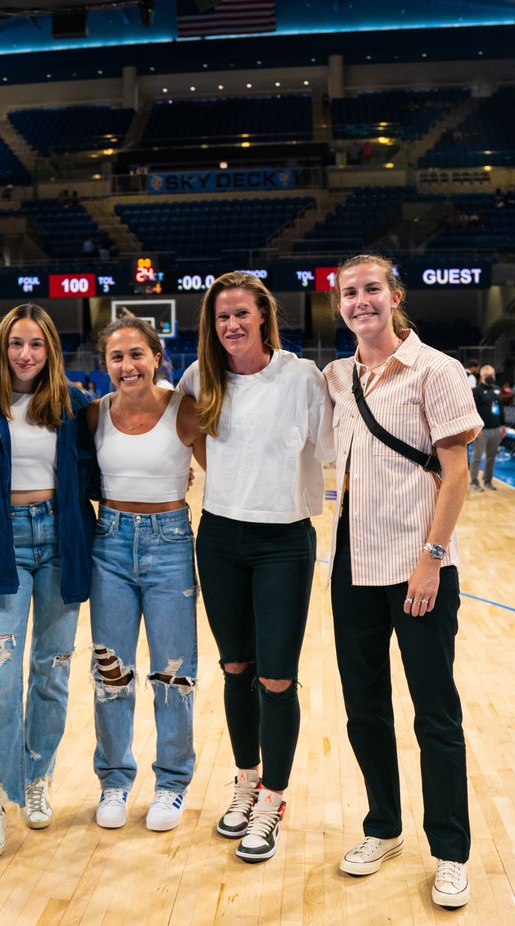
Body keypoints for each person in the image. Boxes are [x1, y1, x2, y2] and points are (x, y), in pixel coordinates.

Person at [322, 254, 481, 910]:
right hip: (349, 563)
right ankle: (382, 828)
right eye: (349, 293)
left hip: (416, 564)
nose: (361, 301)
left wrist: (432, 557)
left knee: (435, 714)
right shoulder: (335, 377)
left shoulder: (435, 370)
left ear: (394, 297)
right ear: (339, 306)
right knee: (365, 710)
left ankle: (450, 852)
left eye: (371, 290)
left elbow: (457, 473)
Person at [178, 272, 333, 864]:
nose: (232, 325)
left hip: (283, 542)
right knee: (235, 666)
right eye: (222, 317)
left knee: (276, 677)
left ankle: (273, 796)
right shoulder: (201, 377)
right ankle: (245, 780)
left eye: (241, 313)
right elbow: (191, 434)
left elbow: (331, 448)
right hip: (218, 536)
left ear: (263, 315)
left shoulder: (301, 379)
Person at [0, 304, 96, 860]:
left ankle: (36, 777)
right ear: (1, 345)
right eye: (16, 343)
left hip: (62, 543)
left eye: (36, 345)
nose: (25, 355)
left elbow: (98, 472)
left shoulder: (73, 404)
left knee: (52, 673)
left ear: (50, 351)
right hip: (1, 546)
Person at [86, 316, 204, 833]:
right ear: (105, 365)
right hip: (108, 542)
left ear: (157, 357)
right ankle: (114, 779)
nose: (127, 365)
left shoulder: (186, 409)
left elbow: (222, 468)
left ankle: (172, 784)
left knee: (173, 674)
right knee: (111, 671)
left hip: (171, 542)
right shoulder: (93, 415)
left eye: (137, 354)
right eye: (117, 357)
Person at [468, 364, 503, 491]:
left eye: (493, 375)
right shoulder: (476, 391)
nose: (491, 377)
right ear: (482, 376)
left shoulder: (497, 389)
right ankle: (474, 481)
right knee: (477, 457)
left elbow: (501, 409)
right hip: (482, 430)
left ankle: (487, 481)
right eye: (489, 375)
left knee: (491, 457)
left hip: (496, 429)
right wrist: (476, 428)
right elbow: (472, 410)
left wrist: (503, 425)